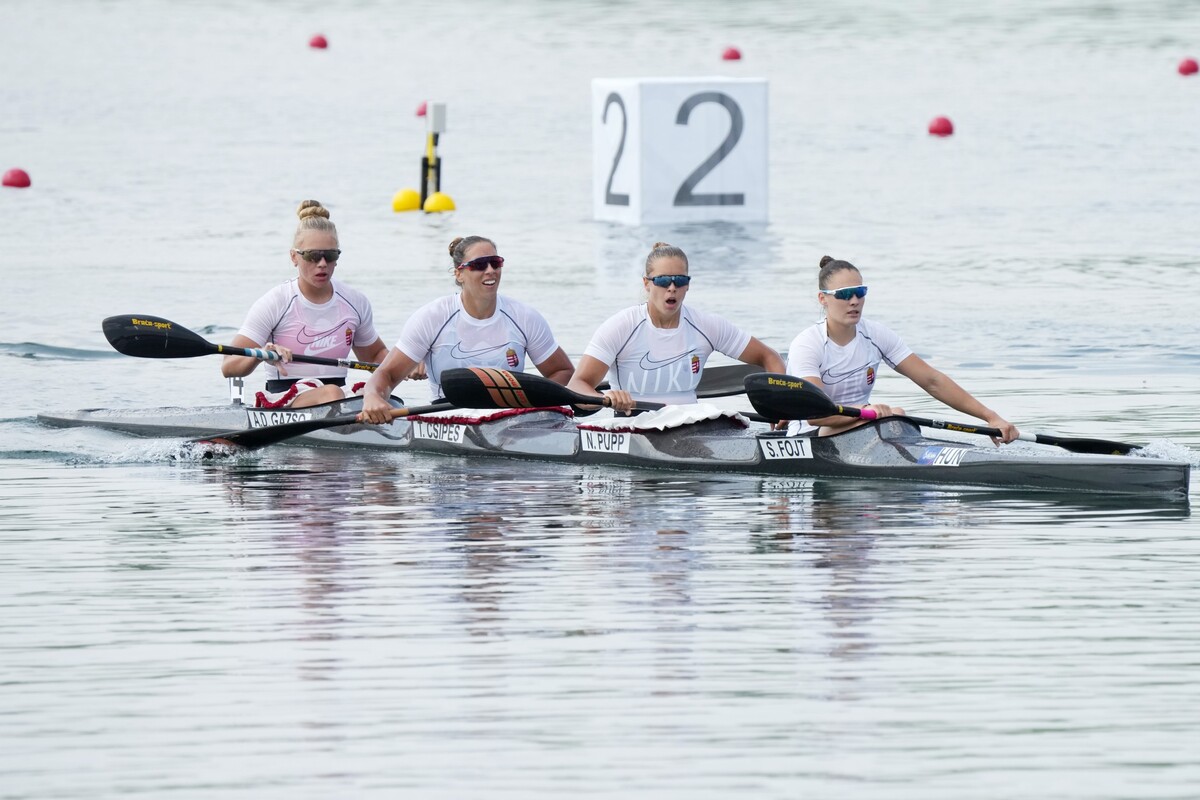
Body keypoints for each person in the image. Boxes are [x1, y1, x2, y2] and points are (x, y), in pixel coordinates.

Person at [785, 255, 1019, 443]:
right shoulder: (808, 344)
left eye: (860, 292)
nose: (854, 301)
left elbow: (932, 380)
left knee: (896, 417)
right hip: (808, 439)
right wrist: (867, 411)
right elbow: (817, 415)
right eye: (845, 294)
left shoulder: (875, 334)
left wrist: (991, 417)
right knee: (896, 414)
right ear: (822, 299)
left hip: (861, 430)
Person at [359, 235, 575, 423]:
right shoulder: (432, 317)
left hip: (509, 417)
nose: (490, 270)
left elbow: (562, 371)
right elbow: (386, 374)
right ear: (459, 274)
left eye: (495, 262)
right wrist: (373, 397)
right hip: (448, 414)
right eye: (480, 265)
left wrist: (535, 403)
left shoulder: (525, 317)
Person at [566, 242, 785, 412]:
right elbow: (577, 385)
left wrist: (780, 406)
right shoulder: (622, 327)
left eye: (679, 280)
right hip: (633, 426)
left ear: (688, 285)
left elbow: (770, 358)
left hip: (689, 427)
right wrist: (605, 400)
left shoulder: (707, 326)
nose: (672, 288)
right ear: (647, 283)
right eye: (663, 281)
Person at [221, 200, 389, 409]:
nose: (322, 264)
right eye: (312, 256)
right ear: (294, 257)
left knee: (379, 396)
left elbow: (375, 356)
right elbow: (229, 367)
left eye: (330, 255)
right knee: (332, 393)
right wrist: (262, 353)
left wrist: (407, 363)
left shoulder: (355, 302)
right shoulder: (276, 302)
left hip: (339, 396)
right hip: (284, 400)